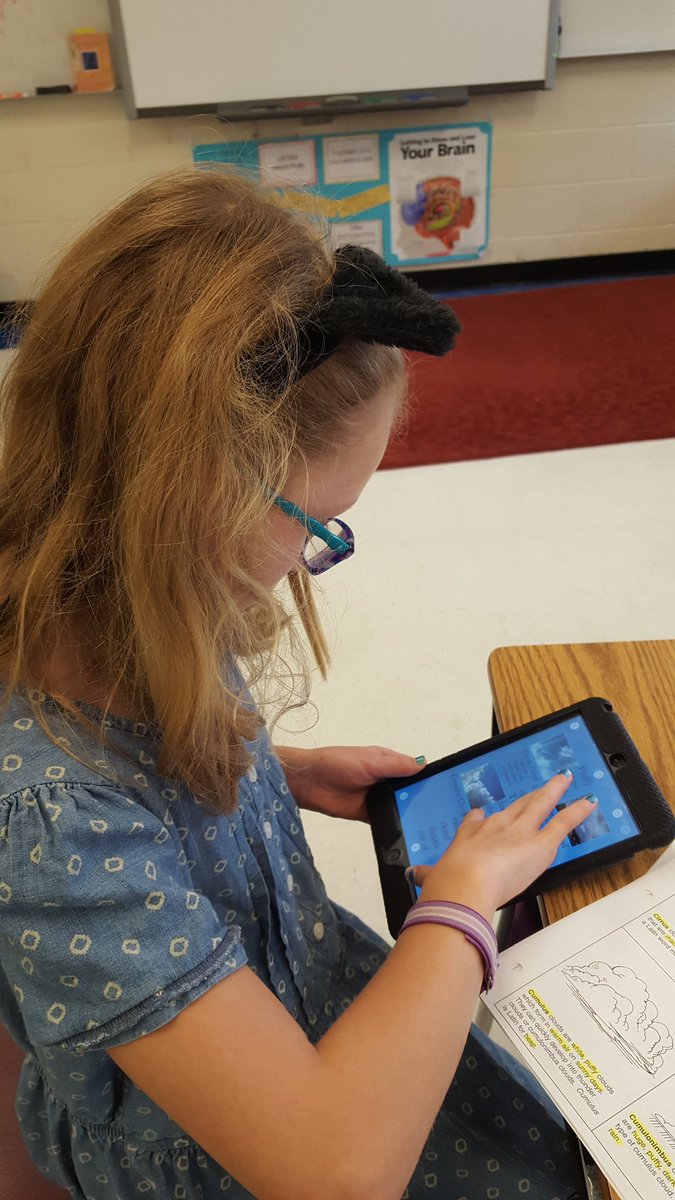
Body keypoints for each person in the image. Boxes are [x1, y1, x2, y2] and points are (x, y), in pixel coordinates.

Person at [0, 168, 594, 1200]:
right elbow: (333, 1174)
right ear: (196, 492)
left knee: (540, 1136)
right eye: (321, 527)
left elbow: (119, 786)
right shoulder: (51, 822)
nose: (309, 561)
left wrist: (280, 767)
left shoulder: (130, 592)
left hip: (289, 983)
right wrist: (458, 904)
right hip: (212, 1155)